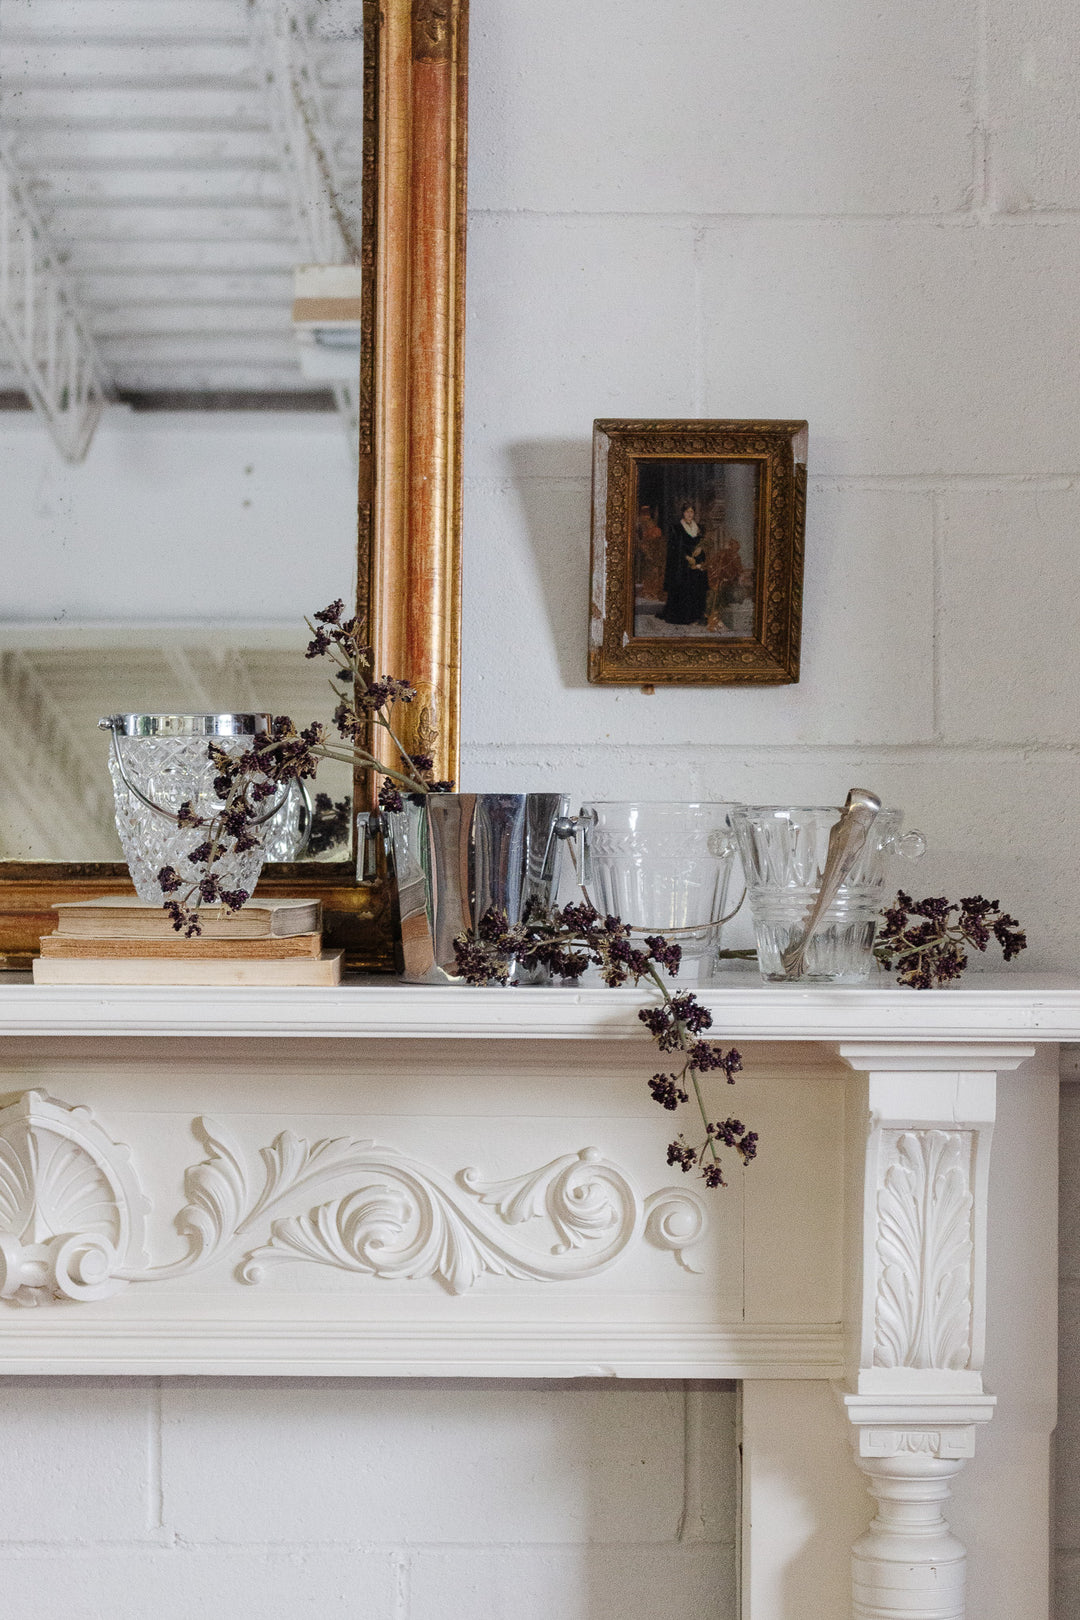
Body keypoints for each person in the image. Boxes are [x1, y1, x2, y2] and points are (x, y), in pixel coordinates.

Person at [659, 501, 708, 625]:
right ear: (683, 513)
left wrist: (700, 550)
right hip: (681, 564)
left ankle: (696, 615)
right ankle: (683, 617)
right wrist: (686, 557)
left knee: (697, 586)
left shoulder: (699, 528)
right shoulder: (676, 528)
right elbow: (674, 548)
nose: (689, 514)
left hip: (696, 562)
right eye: (687, 512)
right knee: (684, 587)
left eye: (691, 512)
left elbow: (702, 544)